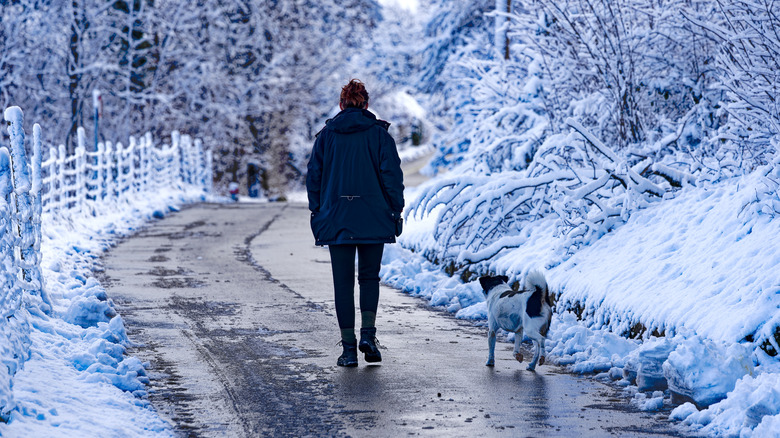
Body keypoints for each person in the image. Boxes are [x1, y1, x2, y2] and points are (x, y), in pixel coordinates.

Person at [306, 79, 405, 367]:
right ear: (366, 104)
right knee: (369, 278)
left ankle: (348, 349)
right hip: (374, 216)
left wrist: (317, 211)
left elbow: (314, 178)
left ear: (341, 104)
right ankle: (368, 335)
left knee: (343, 283)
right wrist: (395, 210)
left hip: (336, 217)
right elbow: (392, 178)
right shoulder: (379, 136)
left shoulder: (326, 137)